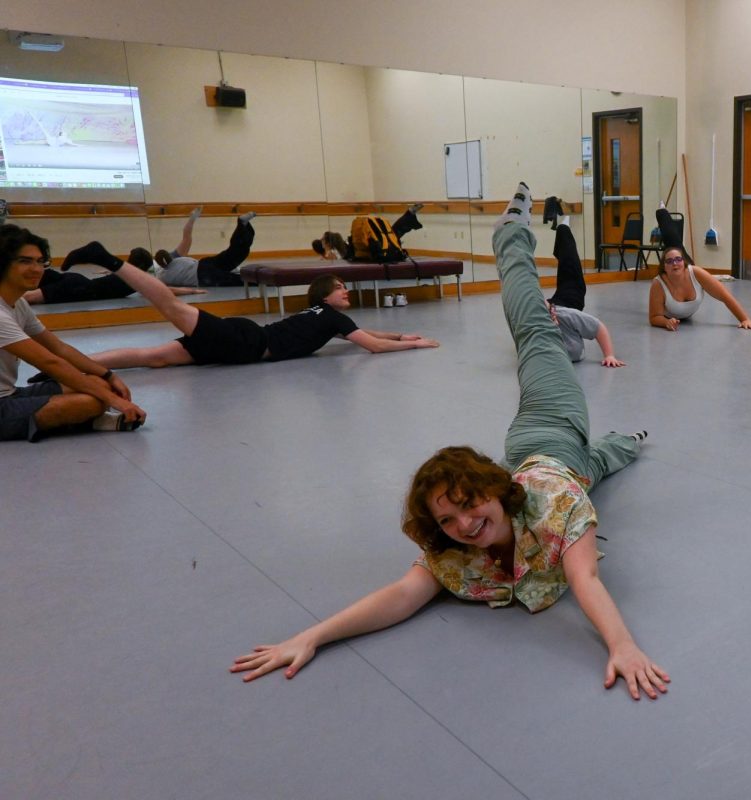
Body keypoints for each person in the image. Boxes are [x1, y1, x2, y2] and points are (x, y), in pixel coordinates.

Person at [232, 183, 668, 700]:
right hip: (561, 464)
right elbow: (399, 596)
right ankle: (631, 440)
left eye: (468, 506)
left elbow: (586, 581)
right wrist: (311, 637)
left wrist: (622, 645)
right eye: (446, 520)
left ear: (494, 491)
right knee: (594, 463)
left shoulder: (554, 506)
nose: (463, 526)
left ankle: (511, 233)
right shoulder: (457, 549)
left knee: (533, 328)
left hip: (547, 422)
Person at [51, 241, 439, 370]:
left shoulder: (326, 317)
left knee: (151, 357)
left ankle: (72, 365)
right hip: (243, 343)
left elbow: (366, 335)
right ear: (324, 296)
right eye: (339, 289)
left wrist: (401, 331)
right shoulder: (333, 316)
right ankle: (108, 259)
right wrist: (413, 345)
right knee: (168, 306)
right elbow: (371, 345)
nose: (345, 293)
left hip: (239, 343)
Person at [0, 225, 146, 441]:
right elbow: (50, 363)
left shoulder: (18, 303)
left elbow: (59, 348)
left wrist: (108, 375)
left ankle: (83, 418)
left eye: (40, 261)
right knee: (92, 401)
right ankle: (84, 419)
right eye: (25, 261)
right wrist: (116, 402)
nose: (36, 269)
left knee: (100, 385)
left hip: (9, 394)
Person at [24, 245, 204, 305]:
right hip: (79, 289)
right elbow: (164, 289)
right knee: (28, 297)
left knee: (31, 281)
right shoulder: (135, 280)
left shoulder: (123, 274)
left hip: (77, 281)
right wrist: (191, 291)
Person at [648, 245, 751, 331]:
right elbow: (654, 317)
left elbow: (725, 296)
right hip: (668, 317)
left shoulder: (696, 273)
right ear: (664, 267)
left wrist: (745, 319)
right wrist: (666, 322)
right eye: (669, 261)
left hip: (688, 316)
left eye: (678, 259)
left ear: (684, 262)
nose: (675, 263)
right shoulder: (658, 283)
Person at [152, 208, 257, 287]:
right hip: (204, 263)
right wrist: (192, 218)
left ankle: (263, 282)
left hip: (203, 275)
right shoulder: (175, 257)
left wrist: (189, 292)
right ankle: (242, 224)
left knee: (235, 280)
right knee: (234, 254)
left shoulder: (161, 277)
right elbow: (186, 237)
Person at [549, 302, 624, 367]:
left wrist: (609, 355)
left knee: (571, 291)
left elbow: (598, 327)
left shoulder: (565, 315)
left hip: (565, 305)